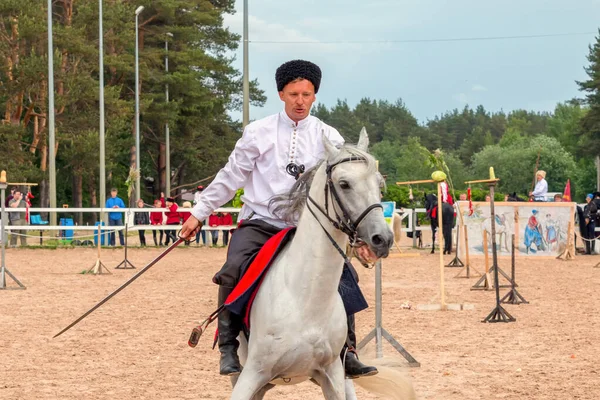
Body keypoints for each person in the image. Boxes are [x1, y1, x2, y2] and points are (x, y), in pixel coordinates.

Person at [180, 59, 378, 379]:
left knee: (344, 274)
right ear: (281, 94)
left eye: (307, 94)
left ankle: (348, 352)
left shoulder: (330, 137)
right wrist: (198, 213)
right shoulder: (257, 132)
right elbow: (231, 177)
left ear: (315, 96)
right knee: (232, 268)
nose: (300, 101)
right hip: (261, 221)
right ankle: (228, 348)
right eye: (293, 93)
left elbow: (347, 188)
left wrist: (357, 237)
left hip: (308, 228)